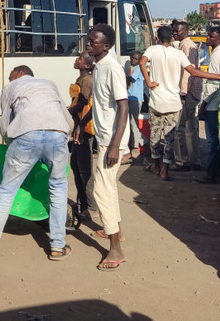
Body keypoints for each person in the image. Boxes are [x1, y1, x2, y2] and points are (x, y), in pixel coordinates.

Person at [0, 65, 73, 262]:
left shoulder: (10, 88)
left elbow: (5, 124)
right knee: (58, 188)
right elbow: (67, 119)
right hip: (58, 134)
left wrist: (11, 143)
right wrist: (65, 135)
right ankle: (57, 247)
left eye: (11, 76)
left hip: (26, 136)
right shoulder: (50, 84)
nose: (10, 80)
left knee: (6, 191)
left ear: (20, 74)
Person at [140, 26, 220, 180]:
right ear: (172, 38)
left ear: (157, 38)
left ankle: (155, 164)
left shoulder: (152, 50)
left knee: (155, 134)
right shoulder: (179, 54)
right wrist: (219, 76)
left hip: (156, 101)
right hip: (173, 103)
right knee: (170, 137)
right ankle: (165, 169)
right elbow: (195, 72)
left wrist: (149, 82)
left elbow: (142, 63)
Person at [83, 24, 128, 270]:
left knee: (101, 190)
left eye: (93, 42)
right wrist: (82, 124)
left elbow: (123, 107)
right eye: (89, 40)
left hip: (112, 140)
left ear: (106, 46)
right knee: (108, 187)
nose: (89, 44)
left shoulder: (112, 68)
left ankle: (115, 249)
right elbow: (100, 104)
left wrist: (115, 145)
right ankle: (116, 232)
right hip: (104, 138)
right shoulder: (98, 66)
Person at [193, 24, 220, 185]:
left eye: (211, 36)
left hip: (214, 102)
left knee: (213, 141)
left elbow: (213, 82)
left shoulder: (218, 55)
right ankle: (216, 170)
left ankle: (211, 174)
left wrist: (203, 104)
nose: (207, 39)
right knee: (219, 139)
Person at [67, 52, 96, 220]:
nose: (76, 59)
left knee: (84, 168)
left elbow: (82, 103)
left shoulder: (87, 81)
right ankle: (82, 202)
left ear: (86, 65)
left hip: (84, 129)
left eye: (80, 58)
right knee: (76, 165)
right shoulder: (82, 79)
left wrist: (66, 113)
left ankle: (90, 205)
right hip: (79, 126)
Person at [171, 21, 202, 171]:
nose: (174, 33)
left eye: (177, 31)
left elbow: (188, 72)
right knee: (191, 127)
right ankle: (193, 159)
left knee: (179, 128)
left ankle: (182, 161)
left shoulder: (187, 46)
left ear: (185, 31)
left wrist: (183, 93)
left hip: (188, 92)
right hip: (192, 91)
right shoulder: (185, 45)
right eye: (174, 31)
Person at [122, 51, 145, 164]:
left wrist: (122, 74)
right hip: (130, 97)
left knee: (133, 122)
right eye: (131, 58)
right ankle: (142, 142)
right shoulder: (133, 68)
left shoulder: (138, 69)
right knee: (131, 122)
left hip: (136, 98)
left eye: (135, 58)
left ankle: (138, 145)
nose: (132, 60)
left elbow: (130, 79)